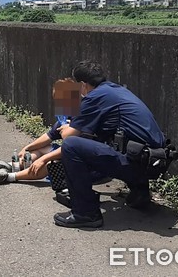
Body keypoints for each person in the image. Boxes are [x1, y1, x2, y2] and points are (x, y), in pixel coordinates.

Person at [52, 60, 166, 228]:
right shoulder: (116, 90)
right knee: (115, 141)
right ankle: (140, 194)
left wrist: (65, 128)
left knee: (72, 146)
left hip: (138, 163)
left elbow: (69, 136)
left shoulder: (94, 97)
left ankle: (86, 213)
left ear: (83, 85)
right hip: (155, 161)